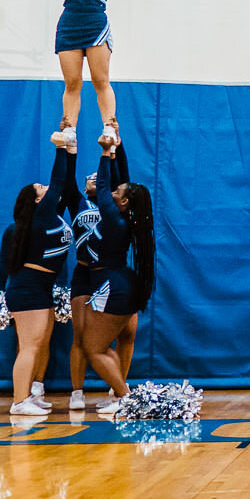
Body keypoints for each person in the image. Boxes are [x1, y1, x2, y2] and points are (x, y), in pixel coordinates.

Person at [26, 0, 151, 148]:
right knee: (72, 83)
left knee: (100, 80)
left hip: (96, 26)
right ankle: (70, 129)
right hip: (69, 26)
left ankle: (109, 127)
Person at [79, 141, 155, 414]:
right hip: (120, 284)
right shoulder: (124, 214)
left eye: (117, 192)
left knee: (94, 349)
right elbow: (122, 181)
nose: (112, 191)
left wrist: (103, 152)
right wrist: (118, 147)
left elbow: (101, 188)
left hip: (114, 287)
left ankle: (123, 397)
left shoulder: (114, 219)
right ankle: (121, 393)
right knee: (101, 346)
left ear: (123, 202)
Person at [5, 143, 76, 415]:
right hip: (28, 289)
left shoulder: (50, 217)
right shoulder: (43, 215)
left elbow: (63, 182)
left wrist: (72, 154)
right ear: (37, 200)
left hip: (42, 289)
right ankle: (19, 401)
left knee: (40, 344)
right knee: (29, 347)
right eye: (41, 189)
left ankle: (29, 395)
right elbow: (58, 181)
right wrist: (61, 148)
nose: (47, 189)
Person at [66, 143, 137, 411]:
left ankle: (118, 387)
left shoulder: (117, 206)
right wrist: (69, 148)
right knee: (81, 336)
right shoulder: (78, 202)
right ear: (85, 188)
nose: (95, 179)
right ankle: (77, 391)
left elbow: (122, 180)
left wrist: (116, 146)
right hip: (86, 274)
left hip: (112, 273)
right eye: (90, 179)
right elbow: (67, 178)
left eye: (100, 177)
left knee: (128, 334)